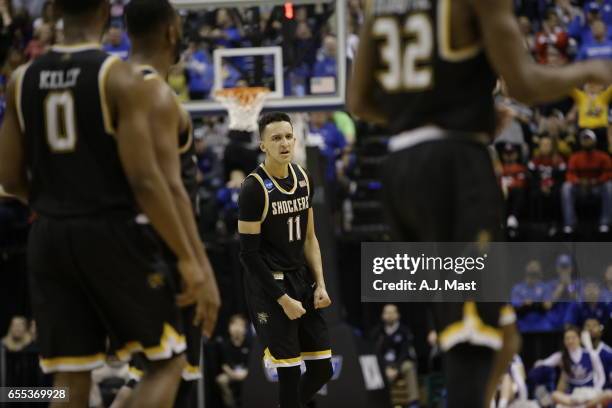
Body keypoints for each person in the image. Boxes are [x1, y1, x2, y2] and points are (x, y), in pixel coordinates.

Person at [348, 0, 612, 407]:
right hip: (454, 173)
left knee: (505, 338)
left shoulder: (382, 3)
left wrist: (444, 116)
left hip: (400, 171)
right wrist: (591, 70)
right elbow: (523, 83)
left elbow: (359, 102)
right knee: (473, 338)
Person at [0, 0, 209, 406]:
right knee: (167, 365)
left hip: (48, 235)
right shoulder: (120, 78)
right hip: (112, 232)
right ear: (105, 13)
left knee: (70, 380)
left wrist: (51, 204)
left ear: (55, 10)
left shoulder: (21, 78)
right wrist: (191, 259)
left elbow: (8, 177)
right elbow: (148, 180)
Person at [114, 1, 222, 407]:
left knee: (142, 373)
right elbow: (166, 188)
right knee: (170, 369)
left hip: (112, 243)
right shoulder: (156, 95)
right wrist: (195, 260)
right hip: (159, 248)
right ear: (172, 32)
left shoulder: (110, 86)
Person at [238, 112, 333, 408]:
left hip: (300, 279)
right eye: (276, 138)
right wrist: (282, 299)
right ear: (263, 145)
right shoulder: (253, 189)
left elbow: (310, 239)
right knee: (290, 373)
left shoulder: (304, 178)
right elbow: (249, 255)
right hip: (269, 287)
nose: (284, 143)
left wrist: (320, 284)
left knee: (322, 370)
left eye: (289, 136)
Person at [561, 129, 612, 234]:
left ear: (594, 141)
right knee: (566, 187)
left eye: (589, 139)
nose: (586, 142)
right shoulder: (575, 157)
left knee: (609, 186)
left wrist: (597, 181)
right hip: (581, 188)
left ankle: (605, 222)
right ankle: (570, 223)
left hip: (597, 188)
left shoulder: (603, 156)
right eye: (584, 139)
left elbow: (608, 174)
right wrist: (579, 181)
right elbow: (569, 174)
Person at [369, 304, 419, 408]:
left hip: (400, 363)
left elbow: (406, 352)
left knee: (409, 366)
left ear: (398, 315)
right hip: (384, 366)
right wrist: (386, 367)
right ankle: (378, 402)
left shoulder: (404, 331)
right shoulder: (378, 332)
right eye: (387, 312)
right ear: (383, 315)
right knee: (373, 369)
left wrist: (396, 367)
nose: (389, 315)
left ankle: (413, 402)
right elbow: (376, 353)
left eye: (392, 312)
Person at [216, 314, 252, 408]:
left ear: (245, 329)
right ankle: (231, 405)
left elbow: (253, 363)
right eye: (234, 324)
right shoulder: (224, 344)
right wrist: (233, 374)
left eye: (240, 325)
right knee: (221, 380)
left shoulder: (250, 343)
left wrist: (247, 373)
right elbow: (224, 365)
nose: (237, 328)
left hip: (248, 374)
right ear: (229, 327)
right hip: (231, 374)